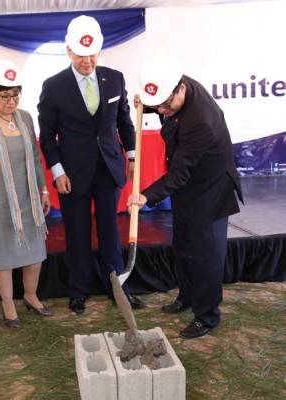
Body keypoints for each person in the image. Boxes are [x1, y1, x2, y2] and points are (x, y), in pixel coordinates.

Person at [128, 54, 243, 339]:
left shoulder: (201, 120)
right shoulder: (174, 87)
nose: (163, 110)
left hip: (210, 191)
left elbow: (180, 173)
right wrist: (151, 106)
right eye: (159, 106)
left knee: (207, 257)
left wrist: (146, 196)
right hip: (186, 189)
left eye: (167, 105)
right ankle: (187, 297)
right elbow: (168, 108)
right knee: (183, 246)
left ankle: (207, 316)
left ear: (181, 89)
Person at [38, 15, 145, 315]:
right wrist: (57, 171)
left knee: (111, 231)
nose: (88, 61)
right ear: (69, 51)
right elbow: (47, 136)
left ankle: (117, 288)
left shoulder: (115, 78)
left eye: (93, 54)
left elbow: (124, 122)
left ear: (100, 50)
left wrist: (133, 157)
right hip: (72, 174)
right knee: (77, 231)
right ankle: (79, 290)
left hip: (109, 168)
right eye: (81, 55)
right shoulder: (53, 86)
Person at [0, 59, 52, 328]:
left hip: (28, 196)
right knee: (2, 252)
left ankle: (30, 296)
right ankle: (8, 303)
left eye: (15, 93)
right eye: (4, 95)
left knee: (35, 249)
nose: (11, 100)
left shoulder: (26, 117)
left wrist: (44, 189)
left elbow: (36, 159)